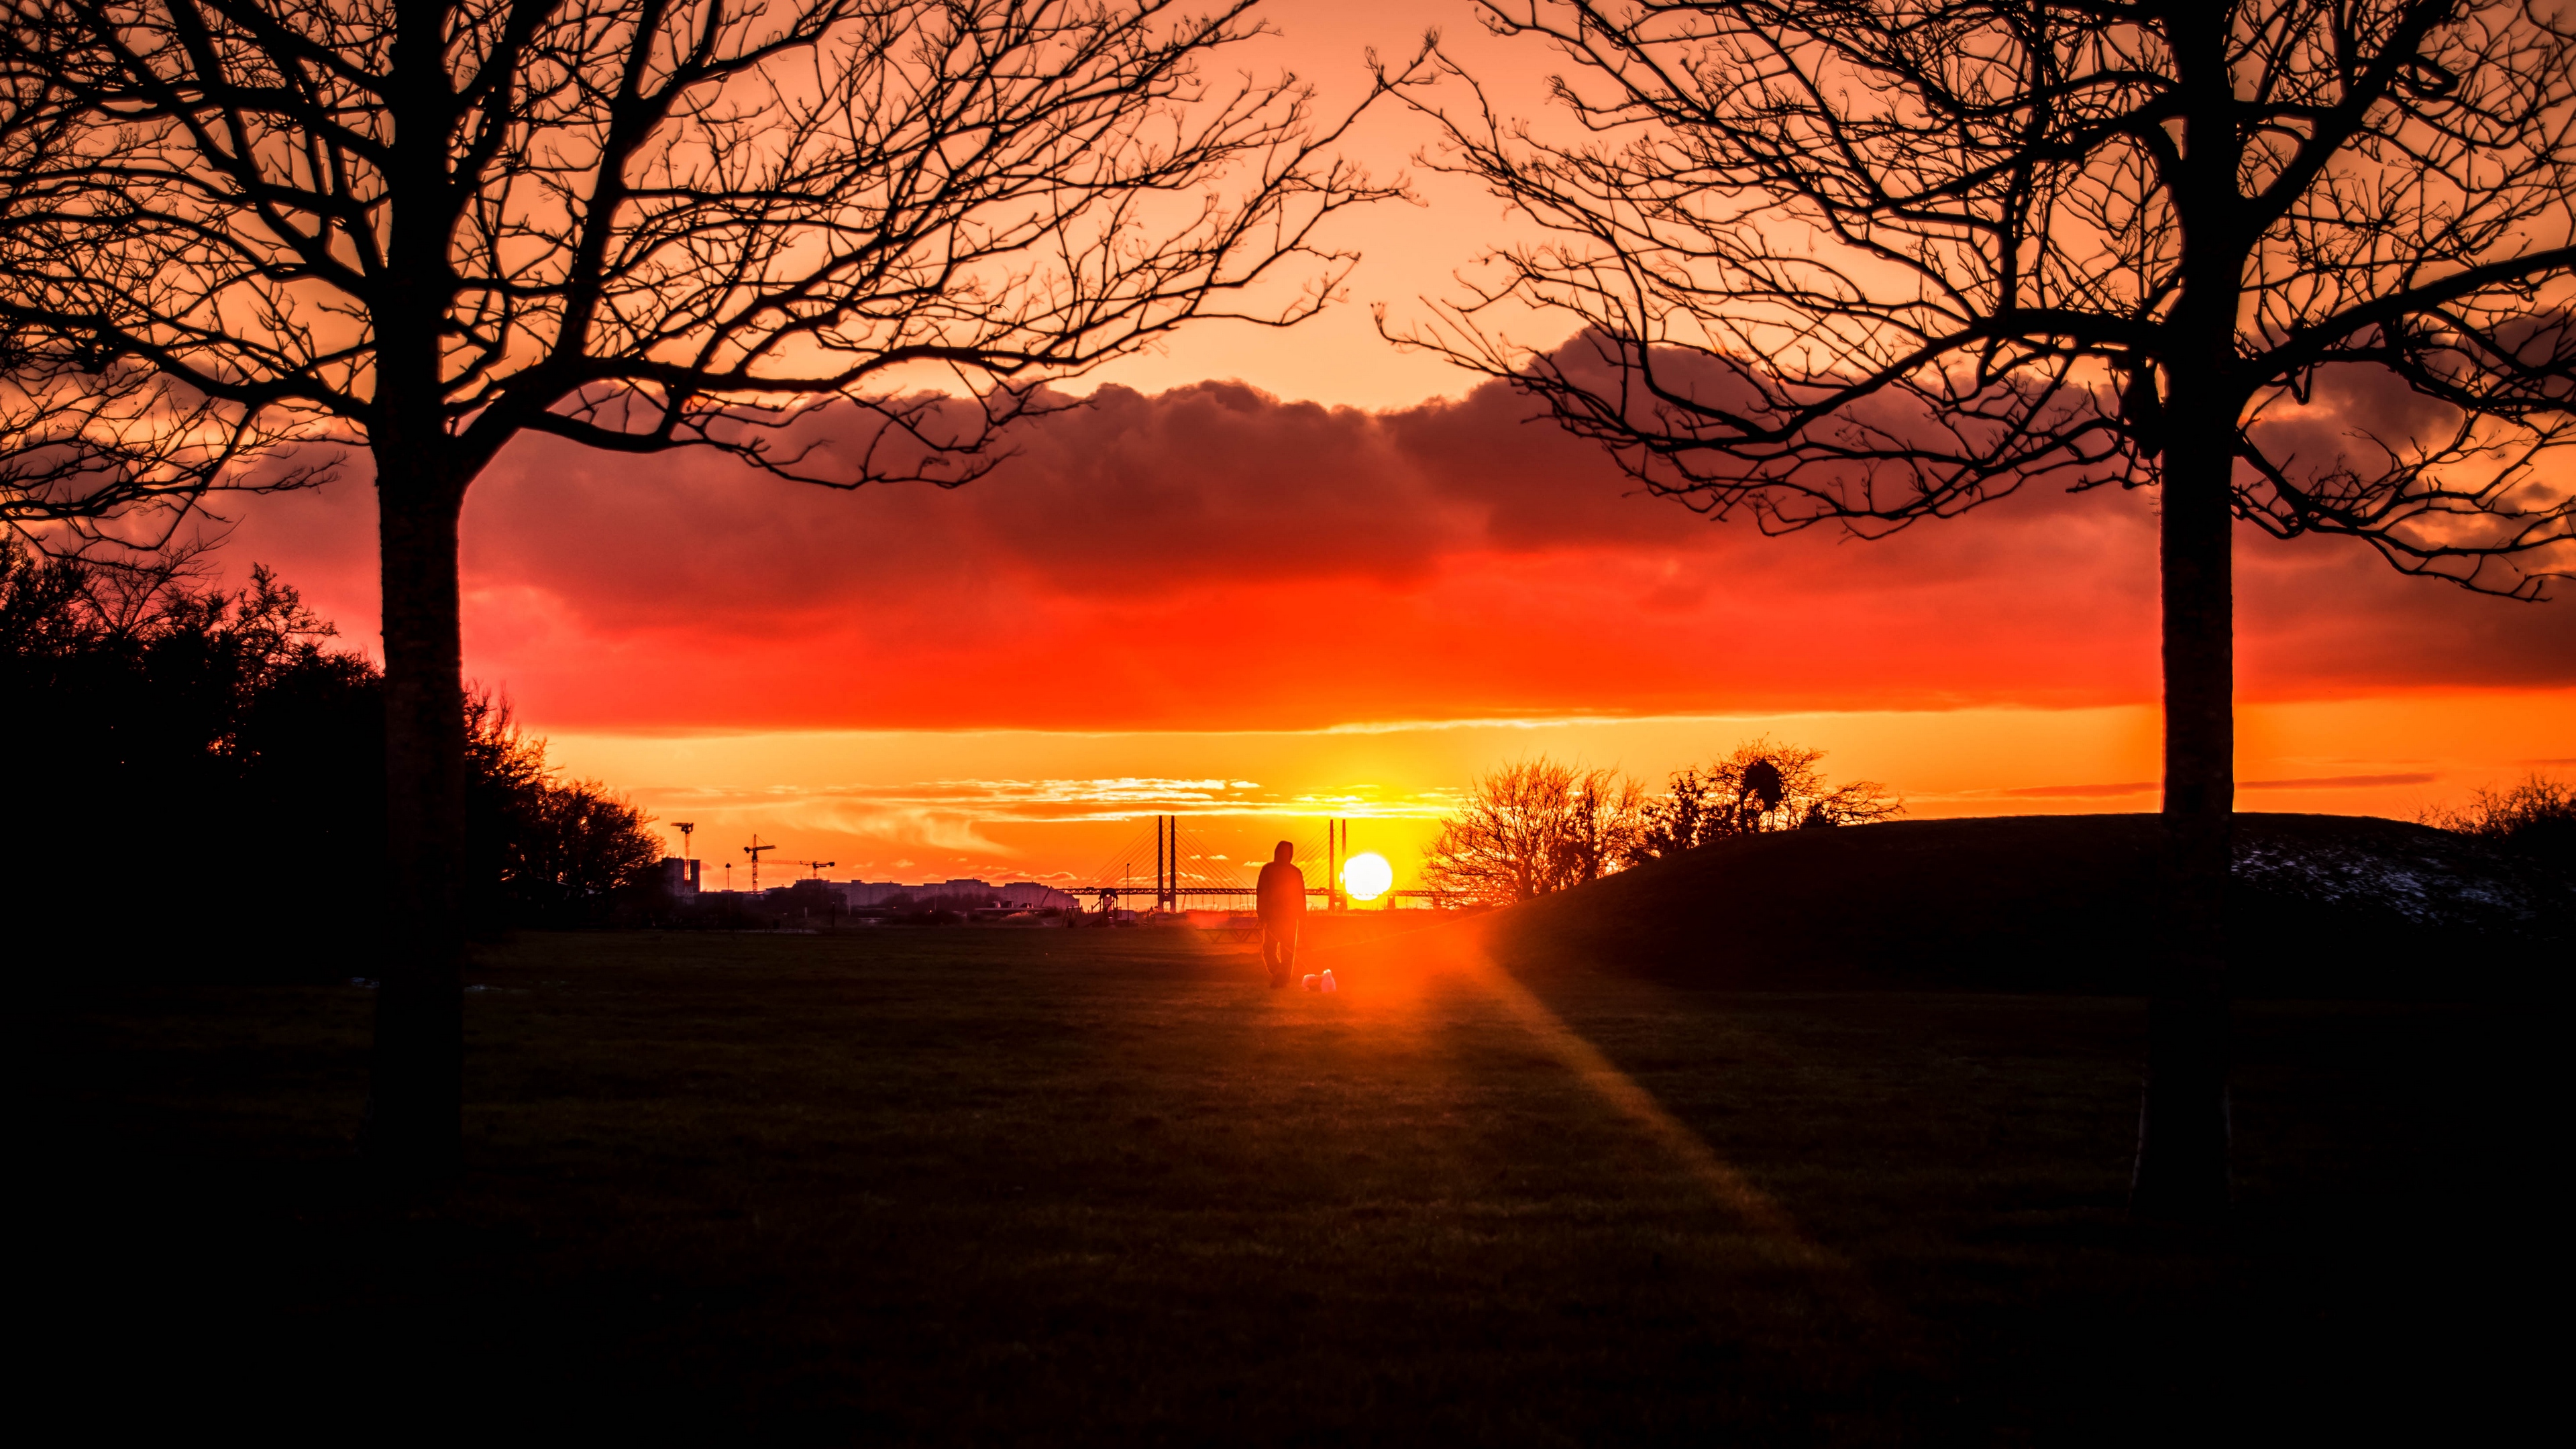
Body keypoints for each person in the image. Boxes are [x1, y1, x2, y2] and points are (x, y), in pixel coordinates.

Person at [1255, 840, 1305, 989]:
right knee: (1287, 952)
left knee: (1270, 950)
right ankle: (1282, 976)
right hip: (1288, 917)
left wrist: (1261, 915)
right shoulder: (1295, 872)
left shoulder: (1268, 869)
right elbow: (1301, 897)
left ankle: (1279, 974)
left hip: (1274, 917)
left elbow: (1261, 893)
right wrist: (1303, 919)